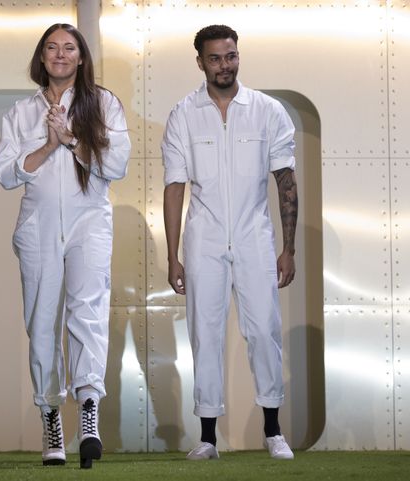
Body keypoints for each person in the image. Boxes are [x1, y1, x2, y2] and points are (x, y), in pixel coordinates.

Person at [0, 23, 130, 469]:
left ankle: (88, 410)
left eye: (69, 48)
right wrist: (48, 144)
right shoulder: (20, 112)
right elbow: (6, 173)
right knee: (42, 322)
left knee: (87, 311)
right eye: (52, 48)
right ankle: (51, 415)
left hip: (89, 221)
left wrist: (70, 138)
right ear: (41, 57)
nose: (60, 55)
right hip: (37, 227)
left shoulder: (103, 103)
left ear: (82, 58)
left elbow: (116, 165)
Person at [162, 24, 298, 460]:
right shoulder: (183, 114)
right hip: (203, 237)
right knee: (206, 333)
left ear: (239, 56)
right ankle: (206, 438)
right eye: (216, 58)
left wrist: (288, 247)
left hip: (254, 235)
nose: (225, 65)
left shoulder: (267, 110)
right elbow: (174, 186)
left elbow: (285, 181)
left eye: (232, 56)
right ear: (200, 61)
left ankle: (274, 432)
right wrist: (173, 255)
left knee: (263, 331)